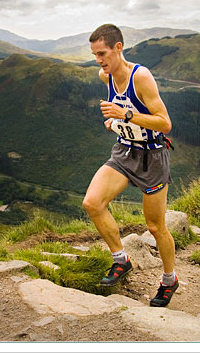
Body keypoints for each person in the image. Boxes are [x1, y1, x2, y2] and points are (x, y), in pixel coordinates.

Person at [82, 24, 178, 307]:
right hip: (124, 151)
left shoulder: (141, 77)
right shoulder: (105, 76)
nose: (99, 61)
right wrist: (115, 122)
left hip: (152, 156)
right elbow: (122, 115)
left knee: (155, 226)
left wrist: (125, 114)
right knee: (92, 203)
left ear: (118, 48)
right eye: (95, 55)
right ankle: (121, 260)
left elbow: (164, 123)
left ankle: (169, 280)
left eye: (102, 53)